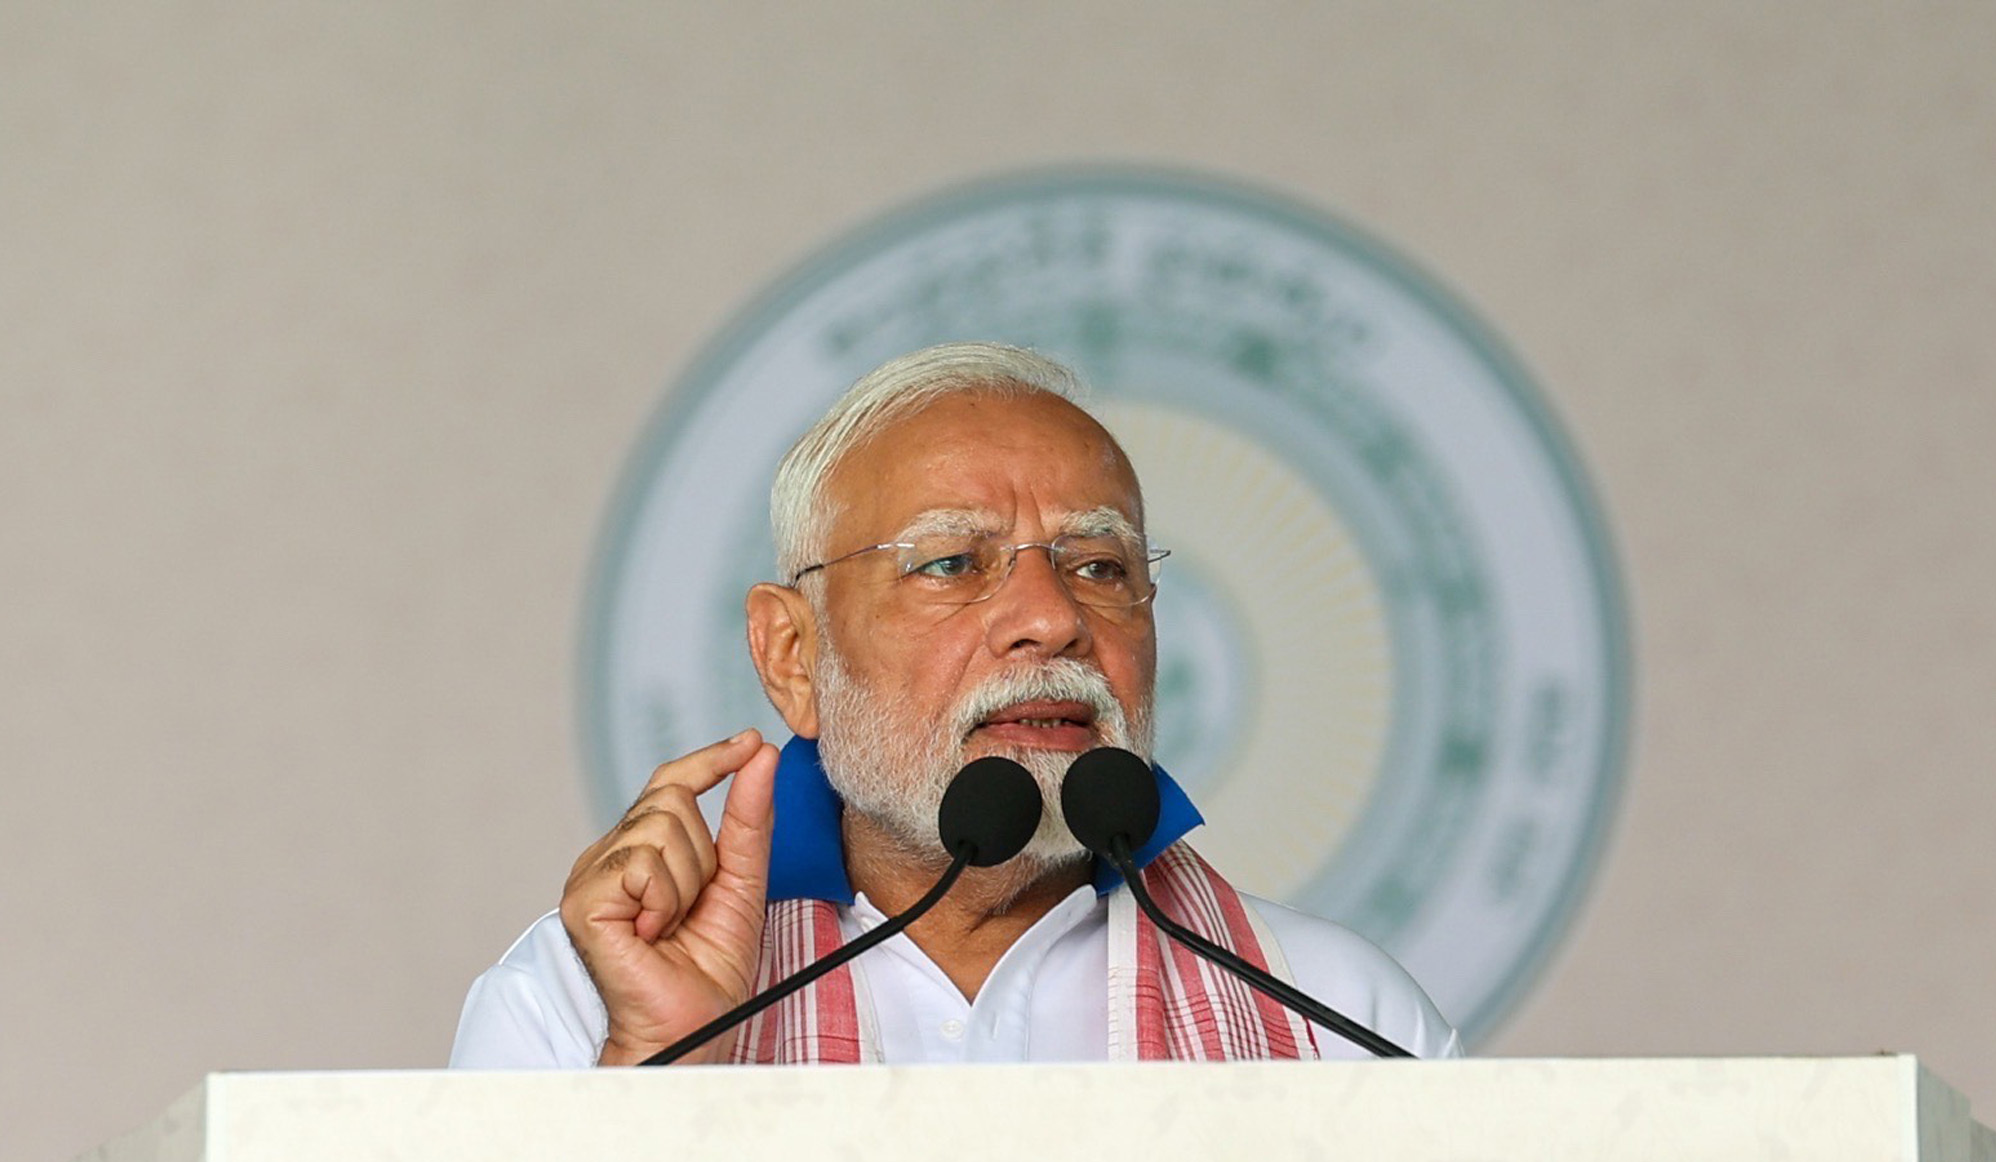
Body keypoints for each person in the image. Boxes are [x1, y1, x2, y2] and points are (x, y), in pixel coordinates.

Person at [451, 344, 1460, 1069]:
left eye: (1099, 566)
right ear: (794, 655)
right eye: (951, 563)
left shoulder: (1340, 1017)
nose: (1051, 620)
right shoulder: (582, 1000)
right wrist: (655, 1064)